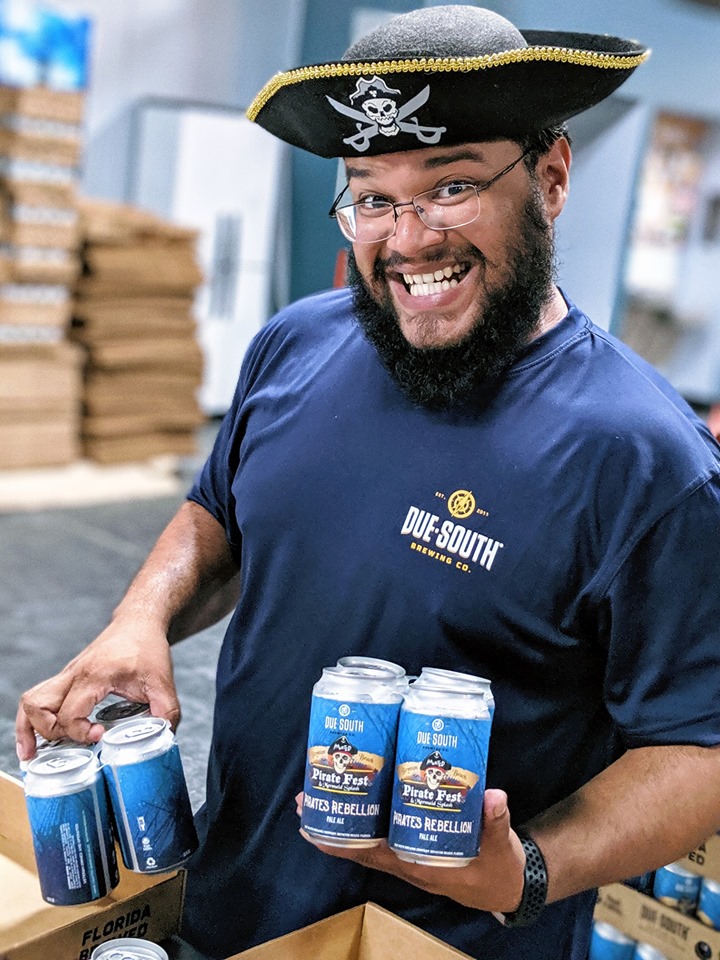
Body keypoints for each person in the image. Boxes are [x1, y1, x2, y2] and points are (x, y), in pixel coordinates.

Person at [16, 6, 720, 960]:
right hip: (227, 907)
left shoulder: (645, 458)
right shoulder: (296, 343)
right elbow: (219, 510)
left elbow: (699, 748)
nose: (409, 238)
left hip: (434, 943)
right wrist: (141, 617)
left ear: (552, 178)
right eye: (372, 197)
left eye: (452, 187)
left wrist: (531, 868)